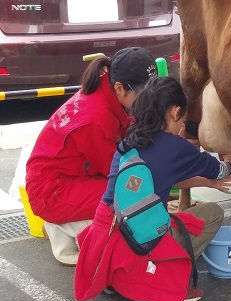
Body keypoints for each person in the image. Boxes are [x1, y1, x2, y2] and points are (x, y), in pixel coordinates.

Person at [74, 76, 231, 301]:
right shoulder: (175, 147)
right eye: (182, 117)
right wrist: (229, 154)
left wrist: (205, 183)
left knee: (159, 212)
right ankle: (172, 269)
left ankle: (118, 276)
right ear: (175, 111)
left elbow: (153, 183)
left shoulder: (130, 139)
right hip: (142, 236)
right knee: (213, 213)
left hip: (108, 231)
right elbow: (220, 170)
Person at [25, 47, 158, 266]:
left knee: (136, 194)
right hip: (51, 191)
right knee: (129, 196)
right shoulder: (96, 118)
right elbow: (120, 173)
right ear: (120, 88)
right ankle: (67, 227)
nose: (150, 100)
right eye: (145, 94)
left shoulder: (108, 90)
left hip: (70, 176)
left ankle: (72, 225)